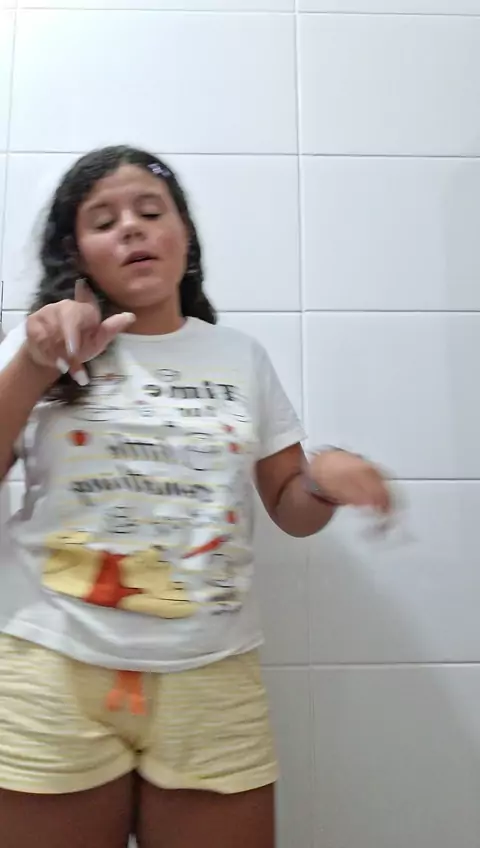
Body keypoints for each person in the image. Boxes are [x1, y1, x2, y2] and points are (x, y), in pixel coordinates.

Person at [0, 145, 392, 848]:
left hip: (212, 676)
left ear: (185, 236)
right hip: (53, 666)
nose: (131, 227)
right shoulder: (37, 348)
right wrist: (34, 364)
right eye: (104, 220)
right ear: (78, 253)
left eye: (151, 211)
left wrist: (322, 480)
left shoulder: (239, 357)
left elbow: (290, 508)